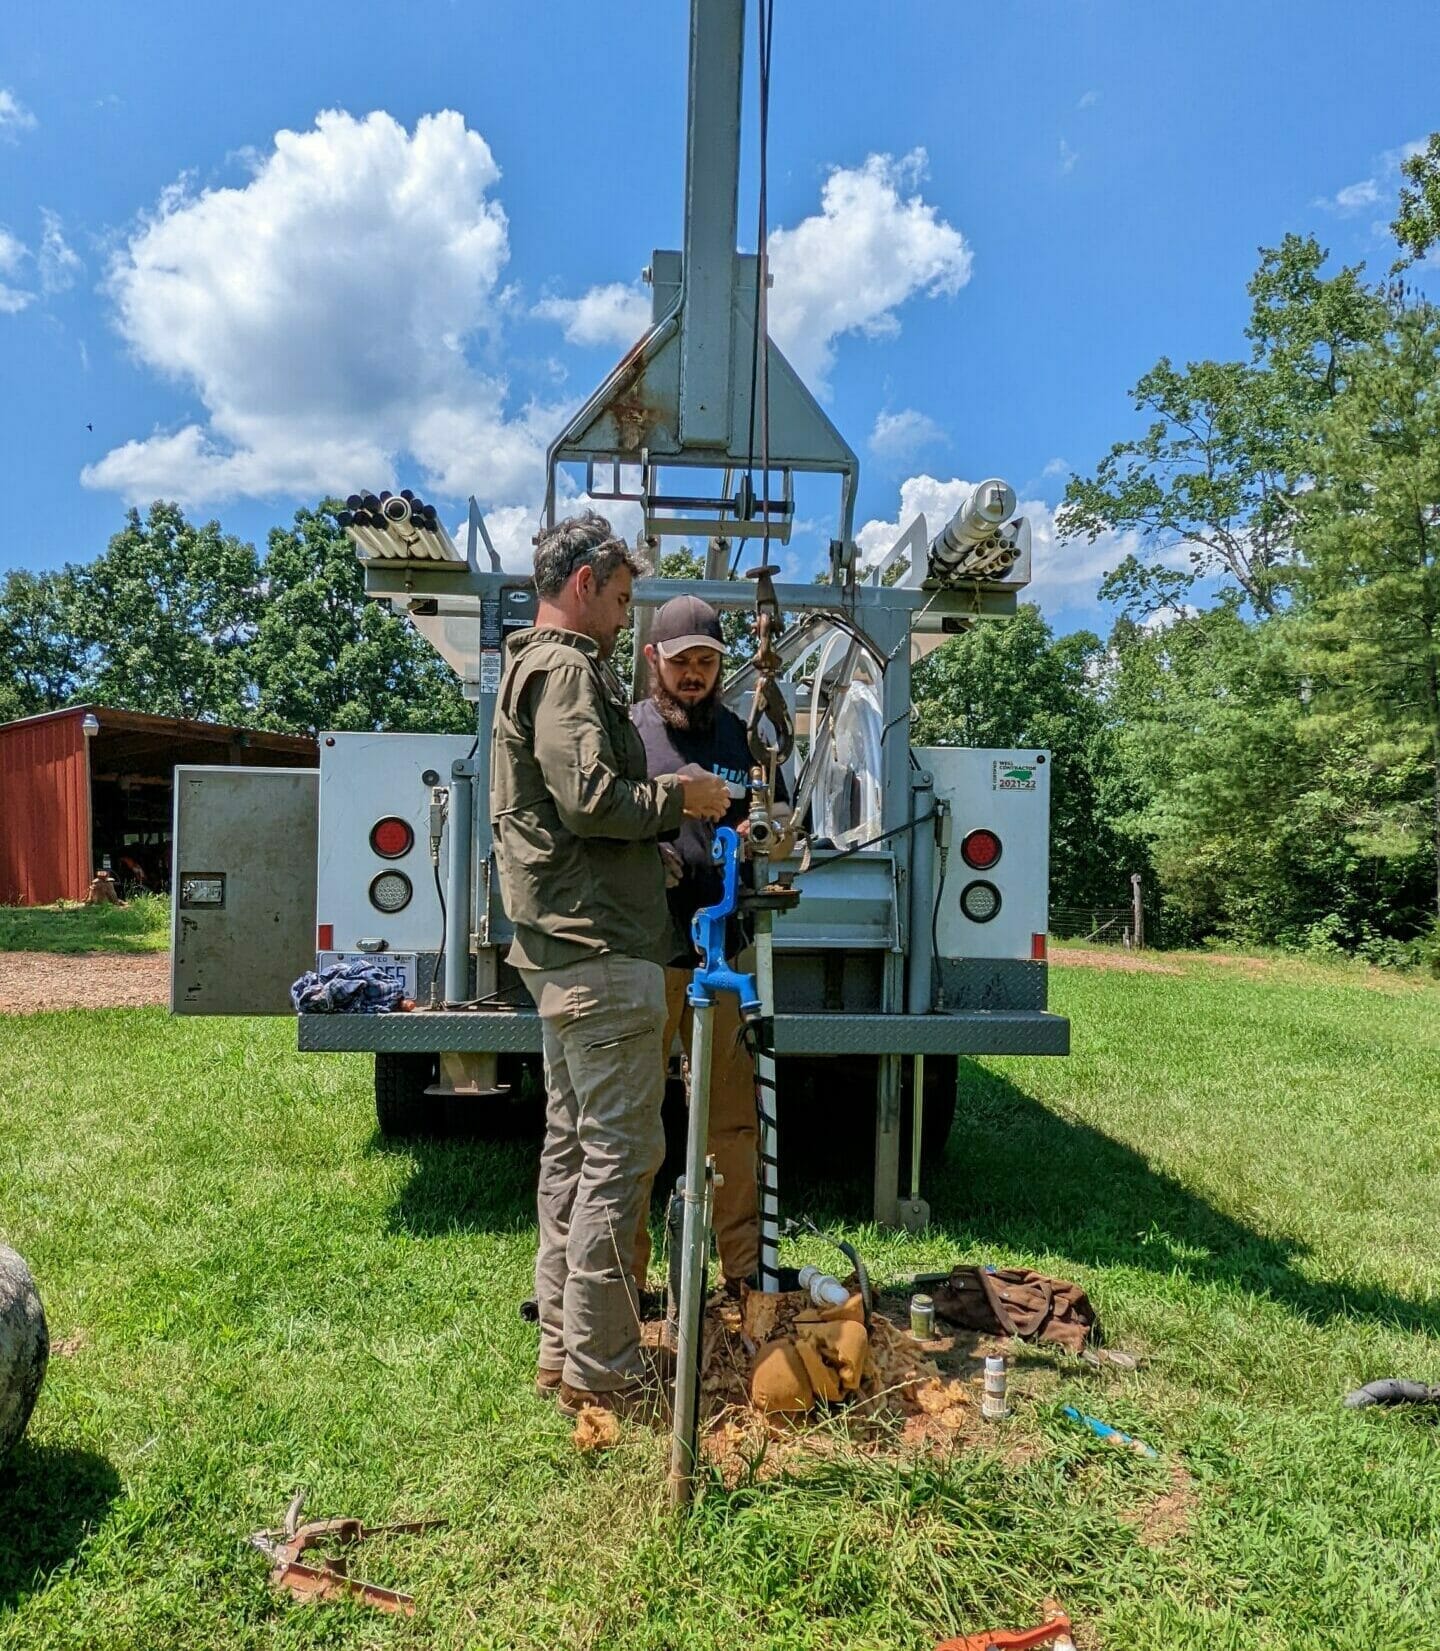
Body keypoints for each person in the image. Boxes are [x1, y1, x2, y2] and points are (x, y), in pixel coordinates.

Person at [490, 514, 729, 1417]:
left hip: (566, 950)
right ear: (585, 580)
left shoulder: (534, 667)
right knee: (620, 1160)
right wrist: (685, 799)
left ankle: (563, 1352)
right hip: (600, 956)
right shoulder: (563, 668)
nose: (628, 618)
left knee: (572, 1152)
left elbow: (566, 815)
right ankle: (605, 1373)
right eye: (625, 598)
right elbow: (591, 797)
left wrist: (650, 853)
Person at [630, 594, 789, 1294]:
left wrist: (775, 839)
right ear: (652, 661)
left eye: (706, 660)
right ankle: (623, 1280)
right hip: (646, 950)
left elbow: (766, 818)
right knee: (633, 1124)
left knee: (730, 1117)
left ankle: (744, 1272)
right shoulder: (629, 734)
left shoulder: (741, 737)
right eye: (681, 661)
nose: (693, 673)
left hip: (722, 950)